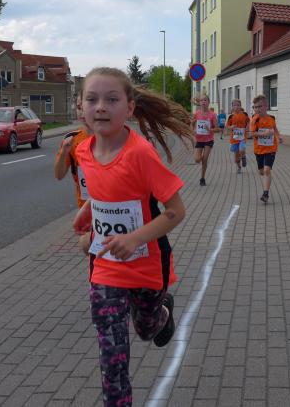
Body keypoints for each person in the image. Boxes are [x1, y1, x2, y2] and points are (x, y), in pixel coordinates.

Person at [72, 66, 193, 407]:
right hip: (106, 266)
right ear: (81, 107)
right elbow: (103, 189)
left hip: (147, 265)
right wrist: (88, 211)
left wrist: (135, 239)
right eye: (92, 99)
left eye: (111, 100)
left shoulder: (140, 154)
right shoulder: (83, 151)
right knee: (112, 359)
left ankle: (162, 313)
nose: (100, 107)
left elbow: (176, 211)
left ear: (129, 108)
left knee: (147, 329)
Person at [53, 98, 91, 207]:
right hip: (84, 207)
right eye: (79, 107)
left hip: (111, 208)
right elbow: (59, 175)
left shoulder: (112, 137)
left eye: (86, 107)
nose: (82, 112)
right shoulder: (72, 139)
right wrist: (63, 153)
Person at [248, 93, 283, 203]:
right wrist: (264, 134)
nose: (257, 109)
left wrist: (278, 136)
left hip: (271, 148)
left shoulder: (271, 118)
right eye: (255, 107)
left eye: (259, 106)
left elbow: (274, 128)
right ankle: (268, 177)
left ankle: (265, 194)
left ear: (266, 106)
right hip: (259, 149)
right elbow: (251, 134)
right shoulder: (254, 119)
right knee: (262, 171)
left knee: (267, 170)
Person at [192, 94, 218, 186]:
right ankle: (200, 159)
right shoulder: (196, 114)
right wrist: (193, 129)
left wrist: (210, 129)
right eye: (202, 100)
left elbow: (217, 129)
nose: (203, 102)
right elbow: (192, 126)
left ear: (208, 102)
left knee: (205, 159)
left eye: (205, 100)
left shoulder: (212, 115)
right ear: (199, 103)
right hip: (199, 139)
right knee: (197, 159)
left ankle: (202, 178)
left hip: (208, 140)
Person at [225, 99, 249, 173]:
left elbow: (248, 121)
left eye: (238, 105)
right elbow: (227, 126)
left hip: (242, 137)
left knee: (242, 149)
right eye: (234, 105)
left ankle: (243, 157)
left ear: (240, 106)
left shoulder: (244, 114)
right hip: (234, 139)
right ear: (232, 107)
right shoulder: (231, 116)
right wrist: (231, 127)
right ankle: (239, 167)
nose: (236, 107)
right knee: (236, 158)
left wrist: (247, 128)